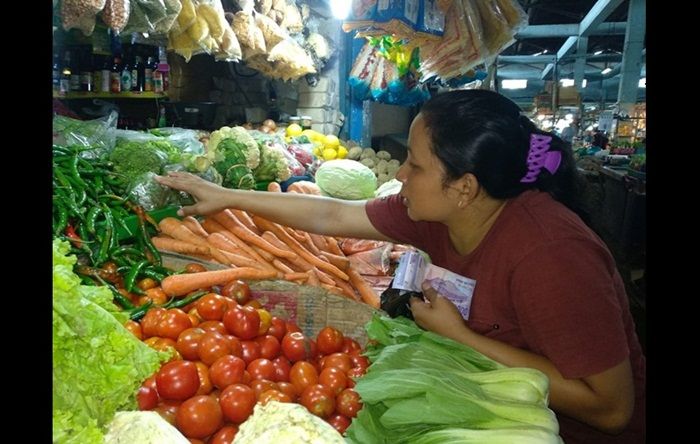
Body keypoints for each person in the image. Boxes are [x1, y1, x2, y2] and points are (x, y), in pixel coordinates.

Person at [156, 89, 645, 443]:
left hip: (551, 431)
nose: (401, 175)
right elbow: (331, 213)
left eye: (413, 163)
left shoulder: (551, 255)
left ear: (464, 186)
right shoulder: (441, 214)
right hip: (484, 399)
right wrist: (220, 197)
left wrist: (460, 336)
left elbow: (611, 409)